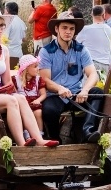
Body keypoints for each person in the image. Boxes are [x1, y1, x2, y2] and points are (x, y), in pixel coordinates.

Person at [0, 8, 58, 147]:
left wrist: (13, 87)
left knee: (20, 98)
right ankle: (22, 143)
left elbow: (7, 80)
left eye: (2, 25)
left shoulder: (4, 49)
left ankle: (39, 139)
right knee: (11, 101)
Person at [39, 10, 104, 144]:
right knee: (48, 110)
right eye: (64, 28)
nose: (68, 32)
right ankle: (55, 140)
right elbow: (45, 80)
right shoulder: (46, 51)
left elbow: (93, 74)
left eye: (71, 29)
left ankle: (88, 131)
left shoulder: (81, 50)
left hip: (76, 95)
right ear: (56, 29)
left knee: (98, 93)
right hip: (56, 95)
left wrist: (85, 90)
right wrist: (59, 88)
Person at [76, 5, 111, 72]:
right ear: (103, 15)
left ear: (91, 14)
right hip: (105, 64)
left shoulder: (85, 29)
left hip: (90, 64)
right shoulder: (108, 29)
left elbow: (76, 44)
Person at [16, 54, 46, 132]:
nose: (38, 69)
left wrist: (38, 100)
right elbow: (14, 93)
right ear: (26, 68)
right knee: (23, 114)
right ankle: (26, 133)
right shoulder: (16, 80)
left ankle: (40, 133)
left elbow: (43, 94)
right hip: (23, 104)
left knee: (38, 113)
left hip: (34, 103)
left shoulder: (38, 80)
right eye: (35, 67)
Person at [3, 1, 26, 68]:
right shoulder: (21, 22)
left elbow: (4, 39)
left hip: (9, 54)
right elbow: (24, 39)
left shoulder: (8, 22)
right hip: (19, 53)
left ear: (7, 10)